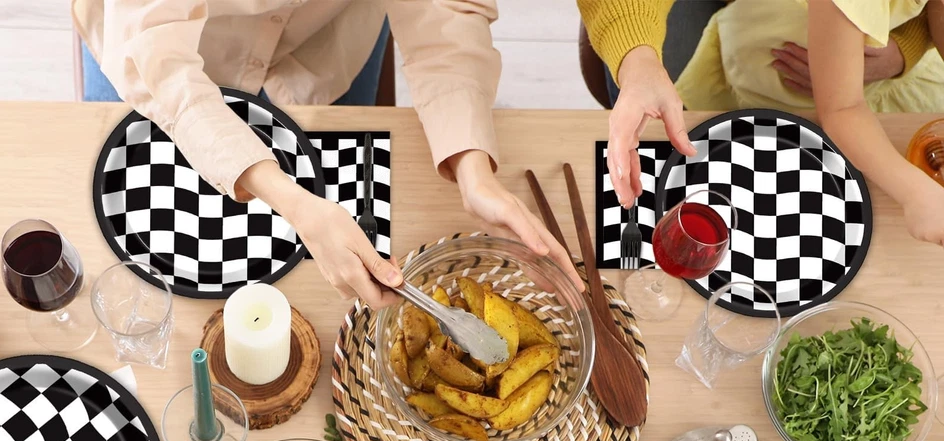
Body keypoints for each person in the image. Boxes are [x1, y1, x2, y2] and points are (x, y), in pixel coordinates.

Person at [72, 0, 579, 309]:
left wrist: (472, 170)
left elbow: (443, 8)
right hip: (156, 46)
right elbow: (154, 56)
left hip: (322, 45)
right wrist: (294, 203)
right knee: (125, 243)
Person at [579, 0, 944, 249]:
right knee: (668, 150)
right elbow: (843, 108)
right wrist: (638, 60)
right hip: (769, 55)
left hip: (844, 52)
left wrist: (905, 47)